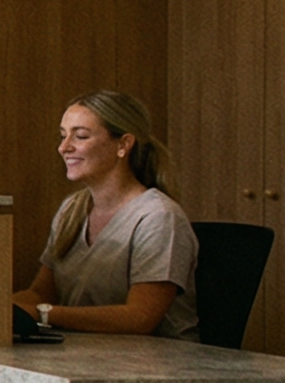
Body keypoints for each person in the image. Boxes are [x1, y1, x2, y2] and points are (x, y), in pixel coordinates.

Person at [13, 91, 199, 339]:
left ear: (123, 145)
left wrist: (42, 315)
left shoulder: (159, 216)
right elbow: (40, 294)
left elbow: (140, 318)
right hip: (85, 350)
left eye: (80, 136)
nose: (64, 147)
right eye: (63, 136)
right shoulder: (72, 209)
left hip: (157, 363)